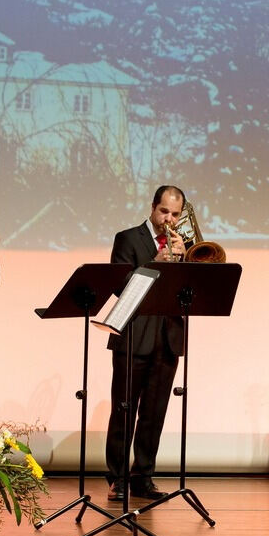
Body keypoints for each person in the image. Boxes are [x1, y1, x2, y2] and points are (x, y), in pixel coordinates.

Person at [105, 185, 187, 501]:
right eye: (164, 211)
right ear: (153, 208)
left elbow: (192, 289)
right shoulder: (128, 239)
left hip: (168, 338)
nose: (169, 219)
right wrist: (155, 261)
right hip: (134, 336)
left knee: (155, 412)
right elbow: (120, 285)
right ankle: (118, 479)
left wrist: (184, 263)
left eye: (176, 214)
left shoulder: (184, 245)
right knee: (124, 409)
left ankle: (143, 477)